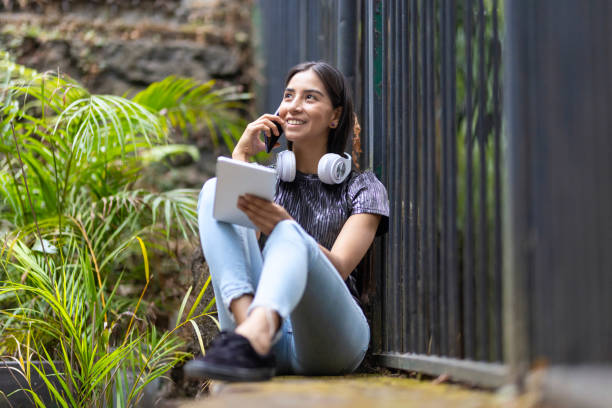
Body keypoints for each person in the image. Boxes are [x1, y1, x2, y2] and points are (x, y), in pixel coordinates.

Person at [184, 61, 389, 382]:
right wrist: (240, 160)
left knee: (287, 234)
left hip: (331, 340)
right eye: (289, 95)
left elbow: (338, 267)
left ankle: (254, 334)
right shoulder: (268, 182)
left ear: (335, 116)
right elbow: (236, 247)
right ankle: (249, 338)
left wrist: (283, 225)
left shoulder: (363, 187)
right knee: (214, 191)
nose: (293, 105)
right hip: (271, 340)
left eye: (310, 97)